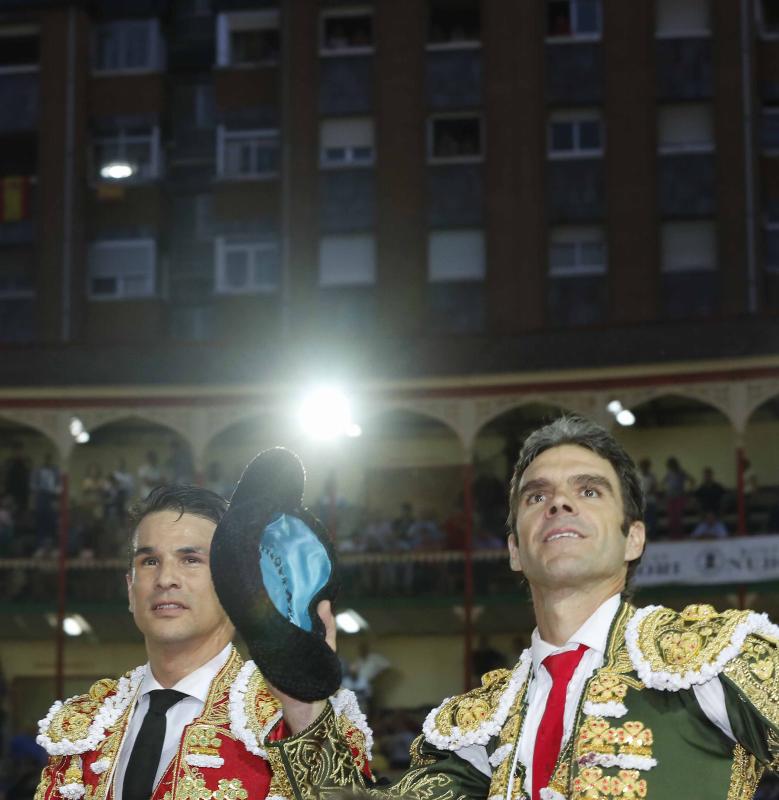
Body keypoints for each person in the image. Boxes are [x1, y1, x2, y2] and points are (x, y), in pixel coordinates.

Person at [255, 416, 779, 800]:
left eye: (590, 491)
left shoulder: (712, 658)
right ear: (513, 549)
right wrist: (304, 704)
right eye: (536, 497)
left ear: (632, 539)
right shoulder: (478, 726)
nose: (559, 503)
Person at [34, 485, 369, 800]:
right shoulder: (85, 724)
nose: (165, 579)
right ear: (130, 590)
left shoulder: (290, 716)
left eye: (191, 560)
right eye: (149, 561)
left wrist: (305, 716)